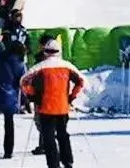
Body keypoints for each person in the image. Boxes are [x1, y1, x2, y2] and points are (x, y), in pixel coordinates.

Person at [20, 39, 84, 168]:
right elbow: (81, 81)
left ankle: (53, 164)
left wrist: (33, 95)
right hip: (62, 107)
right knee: (63, 134)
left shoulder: (39, 67)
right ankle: (68, 161)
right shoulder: (67, 66)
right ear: (59, 51)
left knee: (48, 138)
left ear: (45, 52)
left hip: (46, 108)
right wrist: (71, 97)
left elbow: (24, 82)